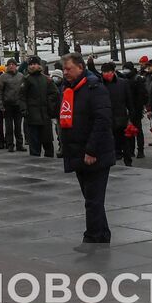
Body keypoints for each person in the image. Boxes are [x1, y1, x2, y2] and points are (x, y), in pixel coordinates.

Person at [56, 53, 114, 247]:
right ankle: (103, 235)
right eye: (64, 69)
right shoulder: (68, 88)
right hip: (76, 151)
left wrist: (91, 150)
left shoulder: (94, 88)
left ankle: (91, 238)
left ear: (81, 67)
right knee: (92, 198)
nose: (65, 73)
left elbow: (102, 121)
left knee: (93, 200)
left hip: (95, 154)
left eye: (69, 69)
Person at [98, 62, 133, 167]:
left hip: (120, 116)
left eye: (108, 72)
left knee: (124, 140)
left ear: (113, 72)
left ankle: (128, 160)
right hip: (106, 117)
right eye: (104, 72)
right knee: (108, 141)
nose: (106, 74)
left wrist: (131, 116)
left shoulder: (123, 83)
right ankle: (111, 160)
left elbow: (129, 101)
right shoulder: (99, 84)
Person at [22, 56, 55, 157]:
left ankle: (49, 160)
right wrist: (24, 109)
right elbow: (21, 96)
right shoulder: (26, 79)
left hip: (45, 115)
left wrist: (50, 106)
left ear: (39, 65)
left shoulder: (46, 79)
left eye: (35, 64)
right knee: (34, 143)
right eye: (31, 64)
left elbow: (54, 93)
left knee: (47, 141)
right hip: (32, 116)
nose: (33, 66)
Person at [0, 59, 26, 151]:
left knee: (18, 127)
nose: (11, 66)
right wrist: (0, 105)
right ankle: (10, 144)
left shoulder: (21, 76)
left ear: (16, 65)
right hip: (7, 105)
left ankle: (19, 144)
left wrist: (23, 104)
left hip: (18, 105)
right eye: (9, 64)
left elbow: (24, 90)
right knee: (9, 127)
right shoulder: (3, 77)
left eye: (13, 64)